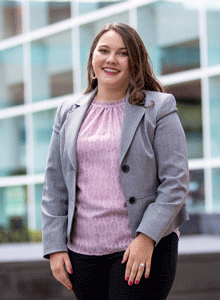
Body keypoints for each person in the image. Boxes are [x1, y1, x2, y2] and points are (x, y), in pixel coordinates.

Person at [41, 22, 189, 300]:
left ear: (135, 62)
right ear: (92, 58)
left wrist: (146, 237)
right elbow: (54, 184)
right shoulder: (67, 112)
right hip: (81, 254)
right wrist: (55, 246)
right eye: (104, 50)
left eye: (122, 53)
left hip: (141, 249)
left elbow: (176, 183)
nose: (111, 59)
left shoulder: (159, 108)